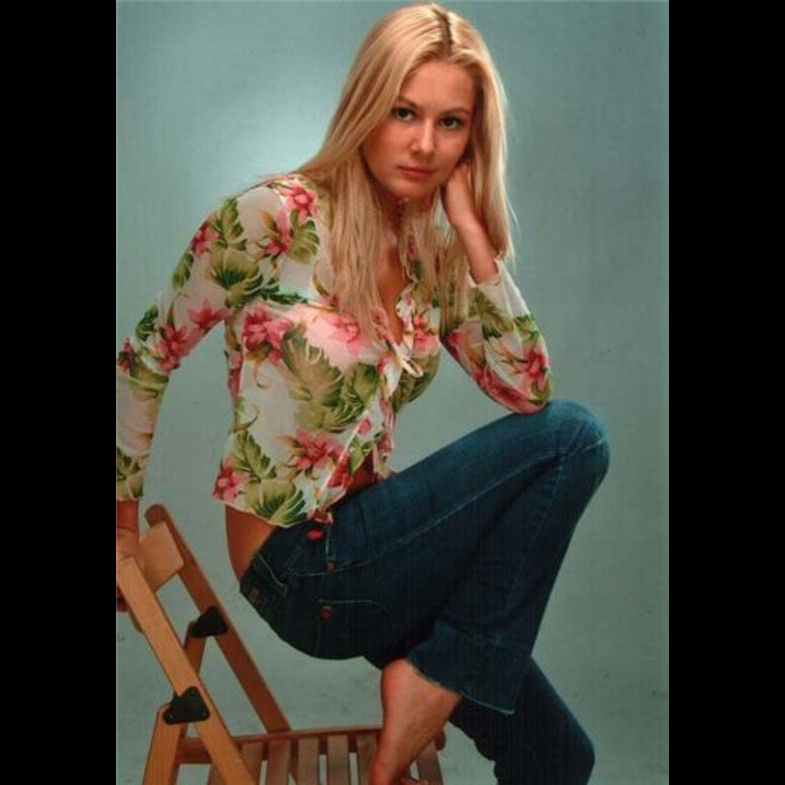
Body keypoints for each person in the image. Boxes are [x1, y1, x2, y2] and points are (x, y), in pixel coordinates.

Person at [116, 3, 610, 784]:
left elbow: (525, 390)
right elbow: (146, 353)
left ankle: (440, 669)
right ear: (364, 106)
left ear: (472, 139)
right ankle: (437, 671)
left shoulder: (430, 253)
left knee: (559, 755)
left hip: (377, 555)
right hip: (298, 567)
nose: (424, 144)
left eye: (450, 123)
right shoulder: (273, 216)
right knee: (575, 438)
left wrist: (474, 236)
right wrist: (117, 519)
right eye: (404, 112)